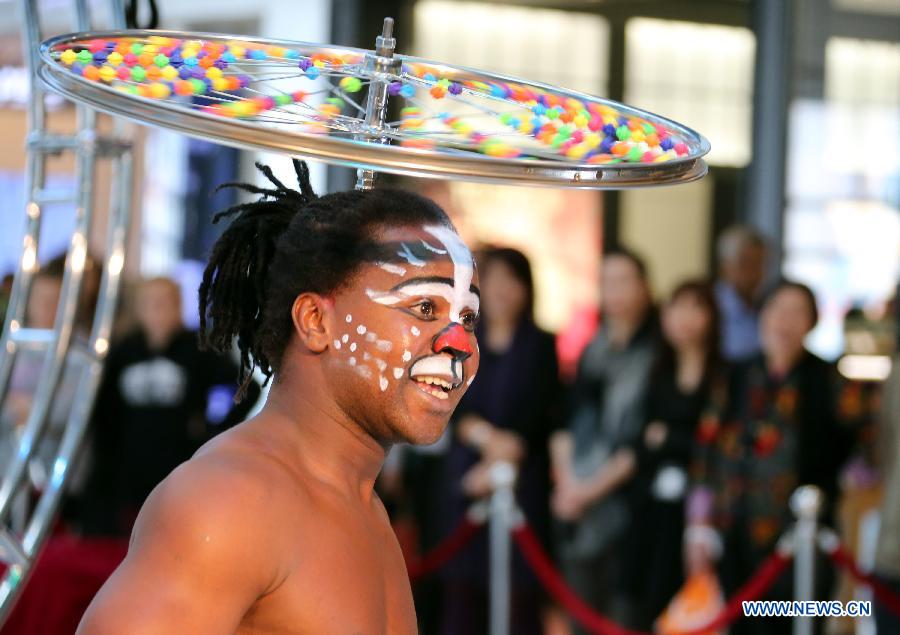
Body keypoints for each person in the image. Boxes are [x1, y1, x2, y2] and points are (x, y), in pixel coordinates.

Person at [77, 160, 481, 634]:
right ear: (315, 321)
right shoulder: (230, 501)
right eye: (423, 307)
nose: (459, 344)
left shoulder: (364, 508)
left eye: (468, 318)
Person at [687, 280, 852, 635]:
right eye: (778, 309)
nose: (785, 321)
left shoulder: (827, 379)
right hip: (736, 530)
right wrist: (700, 524)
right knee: (742, 624)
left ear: (812, 322)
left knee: (795, 624)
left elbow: (854, 447)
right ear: (762, 315)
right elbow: (706, 449)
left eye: (798, 312)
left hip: (801, 539)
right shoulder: (735, 375)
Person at [440, 247, 561, 635]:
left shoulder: (542, 344)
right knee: (463, 600)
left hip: (522, 483)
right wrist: (486, 440)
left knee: (519, 600)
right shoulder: (461, 339)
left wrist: (503, 459)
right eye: (493, 279)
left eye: (512, 280)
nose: (502, 290)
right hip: (468, 478)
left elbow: (542, 415)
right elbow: (450, 402)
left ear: (526, 288)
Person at [80, 276, 259, 536]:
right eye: (150, 303)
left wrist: (214, 430)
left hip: (179, 468)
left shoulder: (199, 349)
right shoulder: (124, 351)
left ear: (178, 306)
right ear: (139, 309)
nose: (157, 310)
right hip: (129, 475)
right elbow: (105, 413)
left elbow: (247, 387)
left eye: (164, 302)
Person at [551, 248, 658, 630]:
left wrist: (586, 491)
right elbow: (565, 419)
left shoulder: (657, 355)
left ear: (645, 288)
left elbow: (641, 442)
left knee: (624, 618)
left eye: (623, 280)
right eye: (606, 281)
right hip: (577, 505)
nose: (613, 290)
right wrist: (568, 485)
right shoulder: (591, 349)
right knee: (579, 617)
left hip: (629, 508)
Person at [625, 280, 724, 629]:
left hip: (701, 510)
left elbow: (716, 444)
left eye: (696, 308)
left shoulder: (723, 375)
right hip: (651, 506)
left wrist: (667, 437)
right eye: (677, 307)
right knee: (648, 602)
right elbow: (640, 439)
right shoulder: (657, 370)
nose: (684, 318)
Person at [714, 225, 767, 362]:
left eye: (760, 264)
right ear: (725, 266)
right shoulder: (710, 306)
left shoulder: (768, 304)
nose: (756, 273)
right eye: (747, 264)